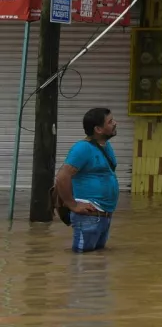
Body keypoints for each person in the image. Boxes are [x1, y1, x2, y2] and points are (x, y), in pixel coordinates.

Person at [55, 107, 119, 253]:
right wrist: (73, 205)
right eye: (110, 122)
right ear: (98, 129)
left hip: (104, 215)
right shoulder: (82, 148)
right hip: (89, 216)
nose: (115, 123)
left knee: (96, 263)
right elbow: (62, 177)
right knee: (83, 264)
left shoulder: (105, 146)